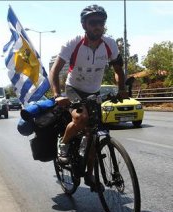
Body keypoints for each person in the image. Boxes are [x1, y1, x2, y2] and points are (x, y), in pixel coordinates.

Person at [49, 4, 127, 190]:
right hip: (73, 88)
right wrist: (57, 95)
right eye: (93, 23)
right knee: (81, 118)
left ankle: (90, 176)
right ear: (84, 25)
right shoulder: (73, 43)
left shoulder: (110, 44)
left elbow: (118, 70)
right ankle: (64, 144)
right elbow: (55, 71)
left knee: (93, 134)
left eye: (101, 22)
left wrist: (122, 88)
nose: (97, 26)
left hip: (94, 90)